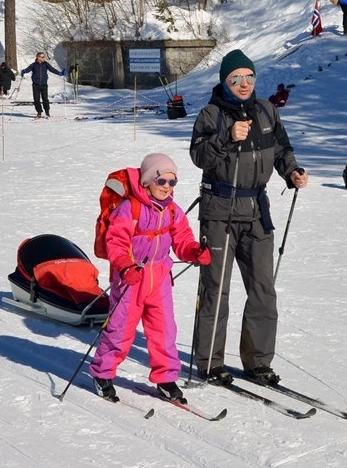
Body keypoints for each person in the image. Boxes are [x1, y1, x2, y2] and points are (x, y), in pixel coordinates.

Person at [190, 48, 308, 386]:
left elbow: (282, 149)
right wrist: (227, 138)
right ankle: (210, 362)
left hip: (257, 210)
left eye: (249, 77)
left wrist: (292, 172)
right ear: (225, 81)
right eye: (236, 78)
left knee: (262, 289)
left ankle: (257, 362)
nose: (244, 84)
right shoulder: (210, 115)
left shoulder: (267, 111)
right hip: (220, 210)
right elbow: (199, 156)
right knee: (216, 289)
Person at [89, 153, 211, 403]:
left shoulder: (173, 211)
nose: (167, 188)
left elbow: (183, 240)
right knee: (120, 329)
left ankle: (166, 378)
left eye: (172, 182)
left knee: (164, 331)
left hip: (160, 278)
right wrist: (124, 267)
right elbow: (117, 243)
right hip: (131, 280)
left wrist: (194, 251)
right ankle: (102, 373)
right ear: (146, 181)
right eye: (161, 181)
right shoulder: (129, 208)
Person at [17, 51, 63, 118]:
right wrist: (23, 71)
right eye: (42, 57)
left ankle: (47, 112)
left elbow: (52, 69)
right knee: (36, 99)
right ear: (38, 57)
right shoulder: (34, 65)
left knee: (45, 99)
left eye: (44, 57)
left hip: (44, 84)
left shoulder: (46, 64)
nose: (43, 58)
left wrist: (60, 73)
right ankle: (39, 112)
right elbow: (28, 69)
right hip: (36, 85)